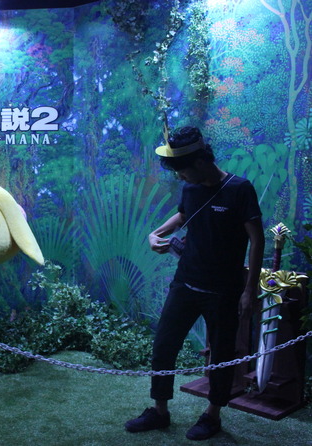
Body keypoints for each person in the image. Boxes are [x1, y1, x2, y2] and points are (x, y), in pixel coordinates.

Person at [125, 126, 264, 441]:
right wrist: (154, 234)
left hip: (224, 290)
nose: (180, 176)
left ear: (201, 162)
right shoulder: (190, 188)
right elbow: (183, 215)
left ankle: (212, 415)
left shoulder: (240, 189)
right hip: (185, 283)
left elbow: (257, 240)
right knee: (164, 346)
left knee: (222, 355)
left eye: (183, 170)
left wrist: (249, 290)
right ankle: (160, 411)